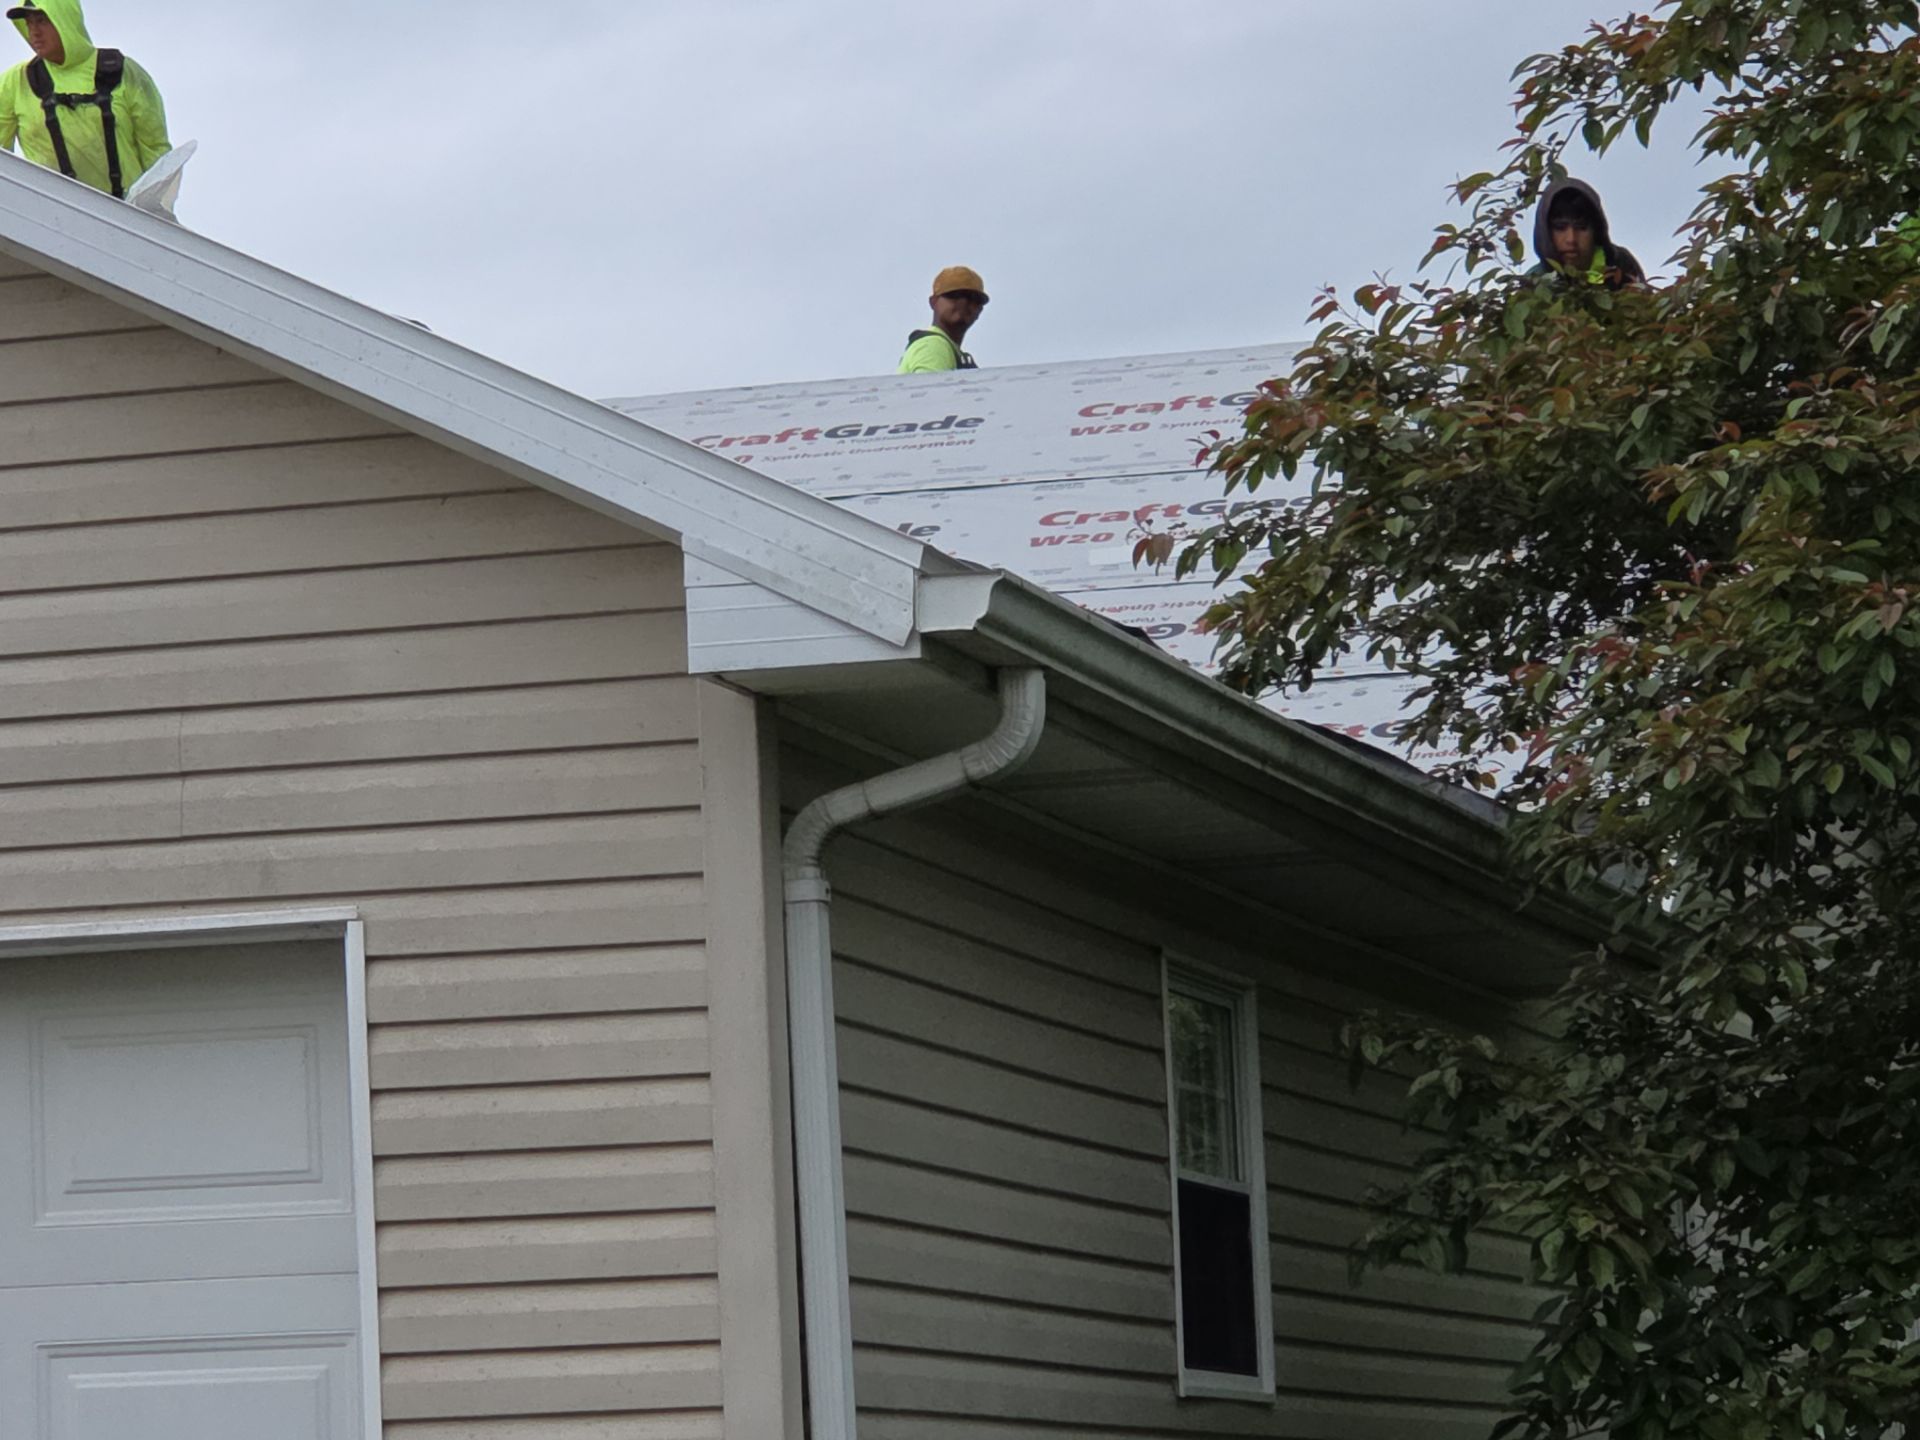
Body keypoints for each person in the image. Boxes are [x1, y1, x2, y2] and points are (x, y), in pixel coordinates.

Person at [0, 0, 169, 200]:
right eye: (29, 23)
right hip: (51, 216)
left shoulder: (124, 73)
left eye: (42, 20)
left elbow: (156, 150)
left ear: (66, 18)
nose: (34, 32)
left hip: (125, 215)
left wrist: (155, 210)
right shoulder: (16, 82)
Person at [1529, 178, 1646, 291]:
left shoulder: (1621, 264)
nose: (1571, 239)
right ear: (1545, 231)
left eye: (1582, 227)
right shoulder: (1532, 284)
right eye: (1560, 228)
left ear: (1596, 231)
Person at [899, 266, 990, 373]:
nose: (963, 302)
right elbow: (930, 389)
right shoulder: (933, 345)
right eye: (955, 295)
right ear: (933, 302)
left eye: (973, 298)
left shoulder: (946, 348)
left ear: (980, 310)